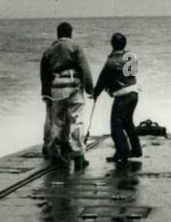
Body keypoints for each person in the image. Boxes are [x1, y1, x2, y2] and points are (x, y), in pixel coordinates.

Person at [40, 21, 94, 169]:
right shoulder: (75, 47)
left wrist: (45, 93)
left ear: (58, 34)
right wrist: (90, 89)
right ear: (71, 33)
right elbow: (85, 69)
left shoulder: (49, 50)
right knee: (76, 121)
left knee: (57, 122)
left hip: (56, 88)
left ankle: (55, 153)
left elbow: (44, 74)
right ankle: (78, 156)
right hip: (74, 88)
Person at [93, 31, 143, 166]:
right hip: (134, 93)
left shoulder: (111, 61)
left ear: (112, 44)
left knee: (116, 125)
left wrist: (95, 93)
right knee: (128, 122)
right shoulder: (131, 56)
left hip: (123, 96)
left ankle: (122, 152)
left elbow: (102, 80)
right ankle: (136, 150)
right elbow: (128, 76)